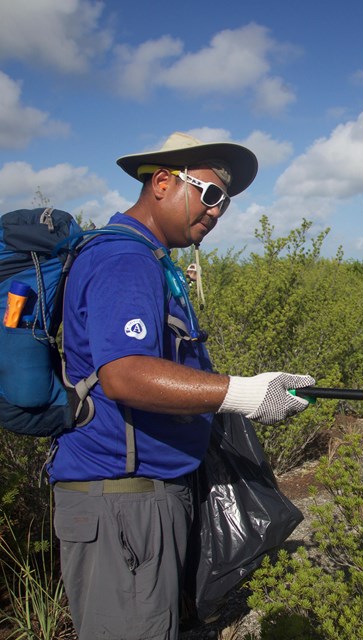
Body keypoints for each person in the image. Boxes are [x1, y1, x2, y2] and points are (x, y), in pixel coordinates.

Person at [49, 131, 315, 640]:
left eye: (227, 202)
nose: (217, 211)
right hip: (122, 504)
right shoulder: (123, 260)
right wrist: (245, 394)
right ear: (164, 183)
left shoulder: (151, 260)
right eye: (211, 194)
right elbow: (124, 374)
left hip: (144, 499)